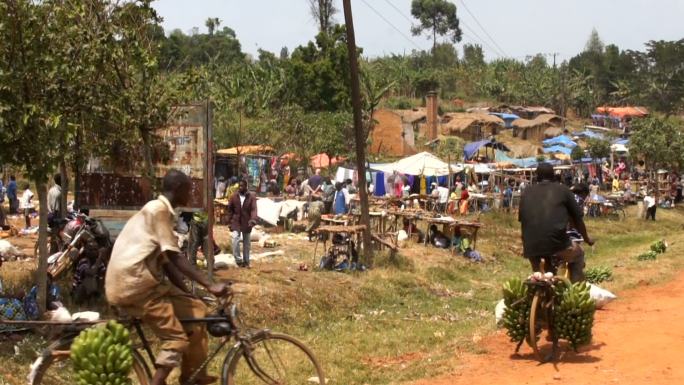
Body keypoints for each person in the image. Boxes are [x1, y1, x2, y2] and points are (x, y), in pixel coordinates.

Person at [105, 169, 230, 385]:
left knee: (198, 311)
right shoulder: (157, 211)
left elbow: (167, 263)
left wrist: (189, 294)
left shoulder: (163, 212)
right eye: (189, 190)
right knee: (175, 339)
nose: (190, 195)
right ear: (178, 189)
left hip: (144, 282)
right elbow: (175, 258)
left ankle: (193, 378)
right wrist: (211, 285)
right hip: (135, 286)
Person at [519, 163, 594, 283]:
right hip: (557, 244)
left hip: (531, 248)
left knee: (540, 277)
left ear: (537, 177)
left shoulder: (526, 193)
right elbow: (577, 220)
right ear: (553, 176)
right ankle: (576, 289)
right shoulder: (563, 190)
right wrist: (587, 239)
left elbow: (523, 221)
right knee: (579, 254)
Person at [227, 180, 258, 268]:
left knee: (246, 242)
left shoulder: (251, 197)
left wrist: (253, 219)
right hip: (236, 222)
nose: (241, 187)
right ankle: (238, 259)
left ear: (246, 187)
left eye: (242, 186)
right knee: (235, 239)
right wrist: (230, 222)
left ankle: (246, 261)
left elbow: (253, 209)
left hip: (247, 222)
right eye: (239, 186)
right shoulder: (233, 196)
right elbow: (230, 210)